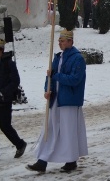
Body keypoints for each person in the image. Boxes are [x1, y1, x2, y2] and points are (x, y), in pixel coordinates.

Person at [27, 30, 87, 173]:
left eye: (62, 40)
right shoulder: (57, 57)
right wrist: (47, 89)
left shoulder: (77, 58)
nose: (59, 43)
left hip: (69, 101)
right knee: (50, 130)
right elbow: (50, 77)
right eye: (59, 40)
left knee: (68, 132)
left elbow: (74, 79)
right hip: (55, 100)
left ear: (70, 42)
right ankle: (42, 161)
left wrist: (56, 75)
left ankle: (71, 160)